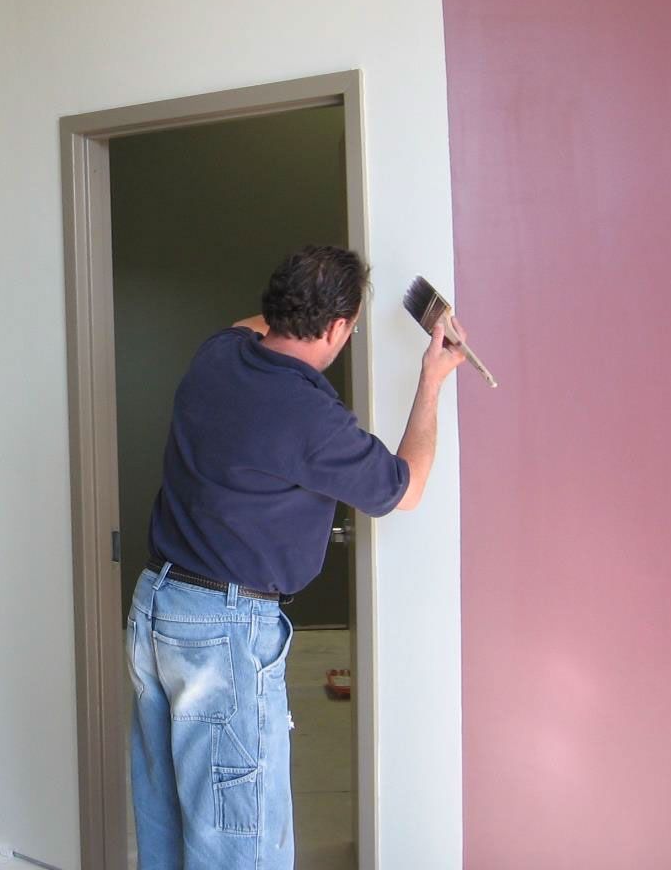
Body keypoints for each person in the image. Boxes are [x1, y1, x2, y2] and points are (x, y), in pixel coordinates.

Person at [126, 244, 465, 869]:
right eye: (352, 327)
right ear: (337, 328)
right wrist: (431, 380)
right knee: (240, 840)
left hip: (157, 608)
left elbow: (247, 327)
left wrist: (298, 301)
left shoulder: (217, 357)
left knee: (166, 814)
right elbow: (407, 486)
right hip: (223, 636)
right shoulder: (313, 420)